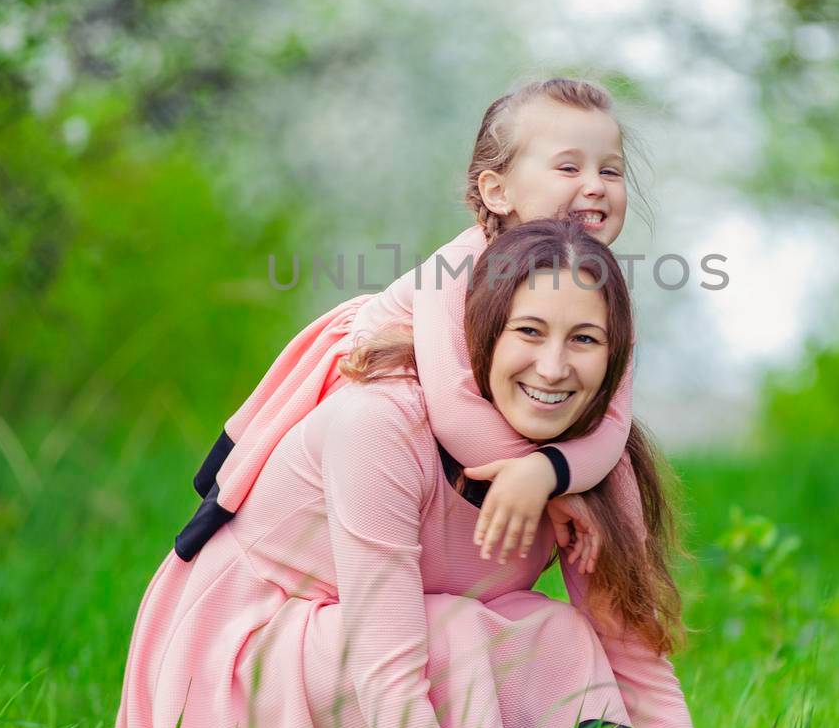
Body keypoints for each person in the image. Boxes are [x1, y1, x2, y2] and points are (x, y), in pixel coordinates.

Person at [105, 219, 709, 728]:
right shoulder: (381, 424)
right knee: (446, 627)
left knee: (557, 631)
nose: (554, 367)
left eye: (584, 339)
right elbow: (384, 652)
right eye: (529, 331)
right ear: (482, 333)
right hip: (244, 662)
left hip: (390, 650)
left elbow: (635, 656)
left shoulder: (589, 469)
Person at [174, 78, 639, 577]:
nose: (595, 185)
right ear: (498, 190)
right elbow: (455, 409)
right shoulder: (457, 268)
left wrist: (550, 472)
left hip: (468, 433)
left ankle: (630, 638)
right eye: (569, 167)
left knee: (612, 472)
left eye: (610, 170)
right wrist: (538, 484)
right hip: (377, 391)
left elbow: (612, 426)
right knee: (371, 461)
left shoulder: (598, 295)